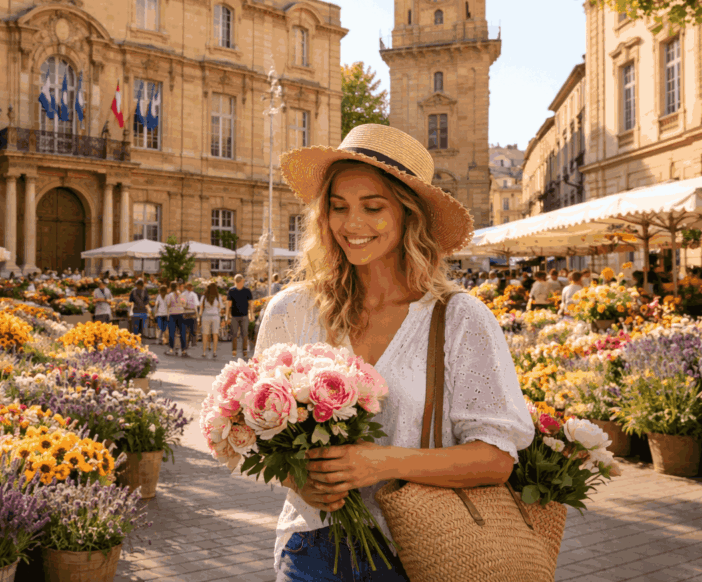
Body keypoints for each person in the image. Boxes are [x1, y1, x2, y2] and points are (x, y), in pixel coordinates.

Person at [262, 124, 533, 581]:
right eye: (338, 207)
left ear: (410, 216)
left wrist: (377, 464)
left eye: (373, 207)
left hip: (425, 553)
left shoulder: (460, 319)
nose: (352, 224)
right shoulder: (292, 310)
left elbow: (496, 458)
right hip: (312, 548)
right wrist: (298, 480)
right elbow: (258, 437)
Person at [226, 274, 253, 359]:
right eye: (242, 281)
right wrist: (227, 315)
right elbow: (229, 304)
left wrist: (251, 314)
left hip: (244, 315)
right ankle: (234, 351)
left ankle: (244, 351)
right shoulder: (232, 290)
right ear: (240, 281)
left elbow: (251, 304)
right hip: (235, 315)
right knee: (234, 334)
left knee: (244, 334)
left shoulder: (247, 291)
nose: (242, 282)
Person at [200, 282, 222, 359]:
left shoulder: (204, 297)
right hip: (215, 316)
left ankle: (204, 352)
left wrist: (199, 317)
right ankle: (214, 352)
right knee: (215, 334)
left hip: (206, 316)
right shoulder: (218, 297)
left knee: (205, 334)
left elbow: (201, 308)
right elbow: (220, 308)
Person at [164, 281, 184, 356]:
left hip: (172, 314)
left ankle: (171, 348)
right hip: (180, 313)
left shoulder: (169, 295)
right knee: (181, 332)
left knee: (172, 332)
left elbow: (168, 305)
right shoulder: (181, 294)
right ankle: (182, 349)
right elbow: (183, 303)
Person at [180, 281, 199, 353]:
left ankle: (185, 345)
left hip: (184, 313)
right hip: (192, 313)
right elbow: (195, 306)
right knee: (192, 330)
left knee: (184, 330)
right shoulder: (194, 295)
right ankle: (190, 342)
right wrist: (197, 316)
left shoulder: (182, 294)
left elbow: (181, 305)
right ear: (190, 288)